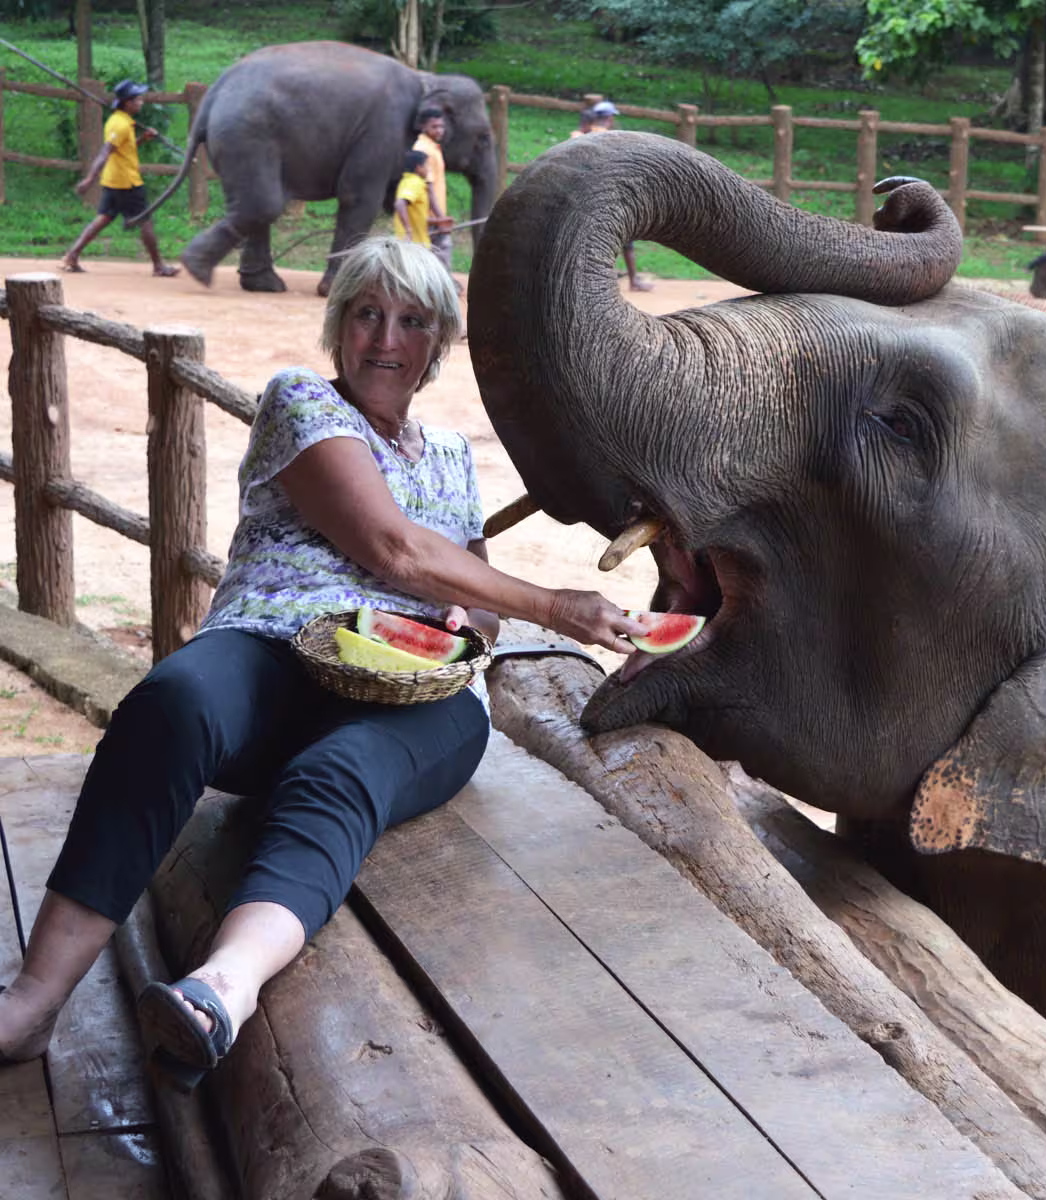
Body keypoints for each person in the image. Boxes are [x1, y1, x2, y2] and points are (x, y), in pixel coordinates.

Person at [0, 237, 644, 1090]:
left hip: (420, 699)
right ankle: (36, 999)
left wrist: (472, 618)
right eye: (367, 315)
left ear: (437, 343)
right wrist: (562, 607)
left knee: (340, 773)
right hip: (273, 646)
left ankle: (216, 995)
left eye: (411, 321)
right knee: (174, 698)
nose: (385, 338)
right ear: (339, 328)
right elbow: (393, 547)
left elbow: (474, 598)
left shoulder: (451, 455)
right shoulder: (301, 403)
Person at [62, 80, 181, 277]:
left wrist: (143, 139)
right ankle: (159, 266)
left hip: (114, 179)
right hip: (126, 182)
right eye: (138, 99)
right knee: (145, 221)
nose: (141, 102)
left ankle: (72, 255)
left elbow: (123, 148)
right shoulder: (120, 124)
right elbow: (105, 151)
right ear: (127, 103)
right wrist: (89, 179)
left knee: (104, 218)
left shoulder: (122, 121)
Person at [571, 100, 652, 292]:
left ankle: (591, 281)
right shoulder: (608, 137)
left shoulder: (577, 137)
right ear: (608, 118)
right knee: (624, 238)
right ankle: (632, 281)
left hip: (580, 194)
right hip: (606, 194)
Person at [411, 107, 458, 289]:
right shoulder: (422, 150)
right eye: (434, 126)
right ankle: (442, 288)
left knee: (433, 251)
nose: (439, 130)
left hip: (431, 213)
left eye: (441, 126)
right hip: (428, 214)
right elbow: (428, 187)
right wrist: (439, 218)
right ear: (423, 126)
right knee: (441, 250)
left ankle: (437, 287)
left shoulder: (432, 147)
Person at [393, 149, 433, 246]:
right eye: (427, 165)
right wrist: (408, 230)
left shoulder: (407, 181)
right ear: (418, 168)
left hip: (414, 244)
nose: (429, 169)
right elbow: (400, 203)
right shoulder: (414, 182)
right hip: (415, 247)